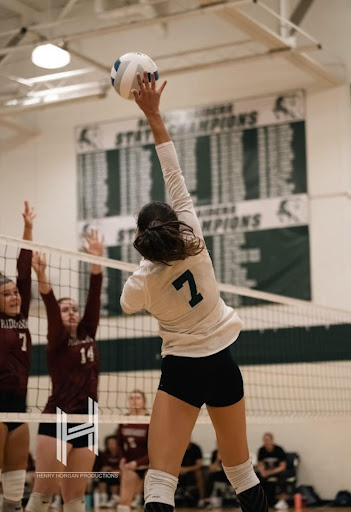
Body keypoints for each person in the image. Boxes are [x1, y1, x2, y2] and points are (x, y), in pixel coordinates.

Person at [119, 71, 269, 512]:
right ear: (174, 224)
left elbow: (127, 304)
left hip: (182, 371)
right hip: (223, 364)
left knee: (160, 483)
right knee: (241, 470)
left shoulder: (142, 280)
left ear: (142, 238)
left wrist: (145, 263)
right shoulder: (194, 236)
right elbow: (172, 166)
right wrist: (153, 113)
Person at [25, 229, 104, 512]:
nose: (71, 311)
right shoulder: (56, 340)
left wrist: (97, 260)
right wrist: (42, 275)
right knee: (43, 494)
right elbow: (48, 302)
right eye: (65, 309)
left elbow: (95, 293)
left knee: (75, 497)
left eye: (73, 308)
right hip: (59, 418)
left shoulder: (88, 331)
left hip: (88, 418)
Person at [0, 201, 35, 512]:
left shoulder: (21, 315)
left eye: (16, 293)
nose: (14, 296)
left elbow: (23, 272)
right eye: (6, 294)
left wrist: (27, 229)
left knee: (14, 494)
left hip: (19, 407)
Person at [116, 390, 149, 512]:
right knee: (124, 500)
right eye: (131, 398)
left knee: (152, 497)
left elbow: (154, 449)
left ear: (144, 402)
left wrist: (138, 463)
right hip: (130, 465)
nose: (134, 400)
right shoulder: (124, 419)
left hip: (149, 464)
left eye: (138, 398)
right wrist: (122, 459)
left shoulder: (149, 420)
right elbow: (119, 443)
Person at [257, 433, 288, 510]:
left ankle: (283, 501)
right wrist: (262, 472)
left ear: (272, 440)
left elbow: (282, 467)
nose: (266, 442)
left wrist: (269, 472)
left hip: (277, 471)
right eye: (265, 440)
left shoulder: (279, 450)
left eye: (268, 440)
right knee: (257, 477)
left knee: (283, 475)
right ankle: (261, 500)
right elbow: (260, 464)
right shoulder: (261, 450)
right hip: (267, 472)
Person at [94, 435, 120, 508]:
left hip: (118, 474)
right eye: (109, 443)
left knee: (113, 476)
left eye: (113, 443)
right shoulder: (104, 454)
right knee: (103, 475)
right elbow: (102, 466)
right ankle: (103, 499)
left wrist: (112, 469)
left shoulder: (121, 454)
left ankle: (114, 498)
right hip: (108, 474)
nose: (111, 445)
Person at [178, 441, 205, 507]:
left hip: (192, 470)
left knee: (198, 473)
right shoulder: (177, 447)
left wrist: (186, 469)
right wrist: (179, 469)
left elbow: (199, 464)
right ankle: (170, 498)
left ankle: (202, 499)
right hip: (178, 469)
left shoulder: (195, 448)